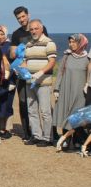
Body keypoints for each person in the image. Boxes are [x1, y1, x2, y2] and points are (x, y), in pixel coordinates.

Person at [9, 6, 48, 140]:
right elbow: (12, 54)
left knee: (43, 105)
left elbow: (46, 47)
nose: (21, 19)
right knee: (24, 102)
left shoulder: (39, 29)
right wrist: (19, 51)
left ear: (28, 15)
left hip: (38, 72)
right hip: (22, 73)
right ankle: (28, 133)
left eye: (23, 16)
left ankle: (48, 132)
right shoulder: (16, 34)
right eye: (18, 18)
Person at [23, 19, 57, 147]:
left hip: (43, 82)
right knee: (32, 110)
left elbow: (52, 62)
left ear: (41, 29)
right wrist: (21, 70)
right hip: (29, 82)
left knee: (45, 111)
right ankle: (36, 135)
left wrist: (41, 72)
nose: (33, 31)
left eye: (36, 28)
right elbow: (26, 62)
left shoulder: (49, 43)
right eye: (31, 29)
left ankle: (47, 137)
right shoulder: (28, 44)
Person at [53, 34, 89, 150]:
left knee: (77, 116)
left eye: (74, 42)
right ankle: (66, 140)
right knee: (66, 114)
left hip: (80, 92)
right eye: (70, 42)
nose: (71, 44)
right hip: (66, 89)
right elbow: (60, 73)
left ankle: (77, 140)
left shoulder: (87, 58)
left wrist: (87, 85)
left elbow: (89, 75)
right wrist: (56, 89)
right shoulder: (67, 56)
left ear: (81, 43)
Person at [0, 25, 14, 139]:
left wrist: (12, 80)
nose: (0, 36)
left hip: (9, 80)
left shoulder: (10, 46)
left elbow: (14, 63)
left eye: (2, 34)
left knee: (7, 104)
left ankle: (8, 128)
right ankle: (0, 128)